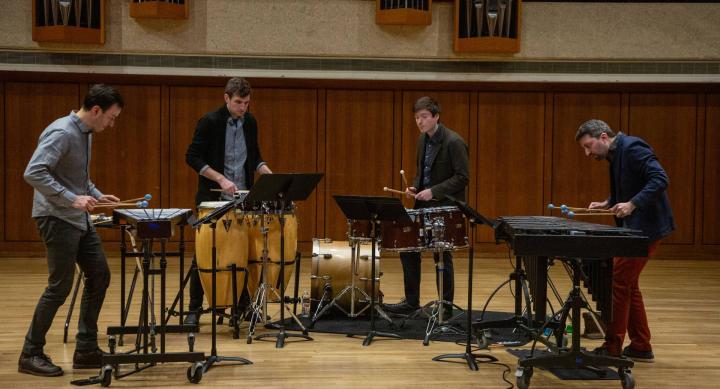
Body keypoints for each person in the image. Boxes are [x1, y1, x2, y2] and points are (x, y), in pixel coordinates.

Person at [20, 84, 124, 377]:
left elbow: (77, 177)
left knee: (99, 274)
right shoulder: (63, 132)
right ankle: (30, 353)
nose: (111, 123)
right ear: (95, 111)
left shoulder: (86, 133)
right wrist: (73, 198)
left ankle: (86, 349)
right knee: (60, 287)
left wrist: (96, 194)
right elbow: (34, 172)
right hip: (56, 217)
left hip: (77, 218)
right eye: (111, 117)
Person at [576, 119, 675, 362]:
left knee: (617, 283)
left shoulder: (632, 148)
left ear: (603, 137)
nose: (588, 153)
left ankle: (612, 348)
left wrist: (632, 204)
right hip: (637, 231)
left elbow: (660, 179)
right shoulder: (617, 154)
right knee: (628, 285)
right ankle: (641, 345)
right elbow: (632, 183)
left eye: (589, 146)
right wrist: (609, 202)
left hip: (646, 231)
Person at [185, 77, 272, 325]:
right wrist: (220, 179)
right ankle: (194, 308)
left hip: (242, 198)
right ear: (226, 98)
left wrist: (267, 172)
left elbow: (254, 157)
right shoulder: (210, 122)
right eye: (238, 102)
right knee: (204, 253)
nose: (243, 107)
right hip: (213, 199)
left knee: (241, 251)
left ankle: (241, 305)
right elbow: (191, 156)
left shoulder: (250, 122)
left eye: (246, 102)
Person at [383, 96, 469, 317]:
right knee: (408, 249)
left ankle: (446, 306)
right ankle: (412, 302)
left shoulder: (453, 142)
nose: (420, 122)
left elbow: (462, 177)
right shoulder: (422, 140)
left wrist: (434, 191)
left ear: (436, 117)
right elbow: (423, 173)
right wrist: (415, 187)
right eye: (416, 118)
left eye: (424, 117)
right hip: (423, 205)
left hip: (446, 207)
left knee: (442, 255)